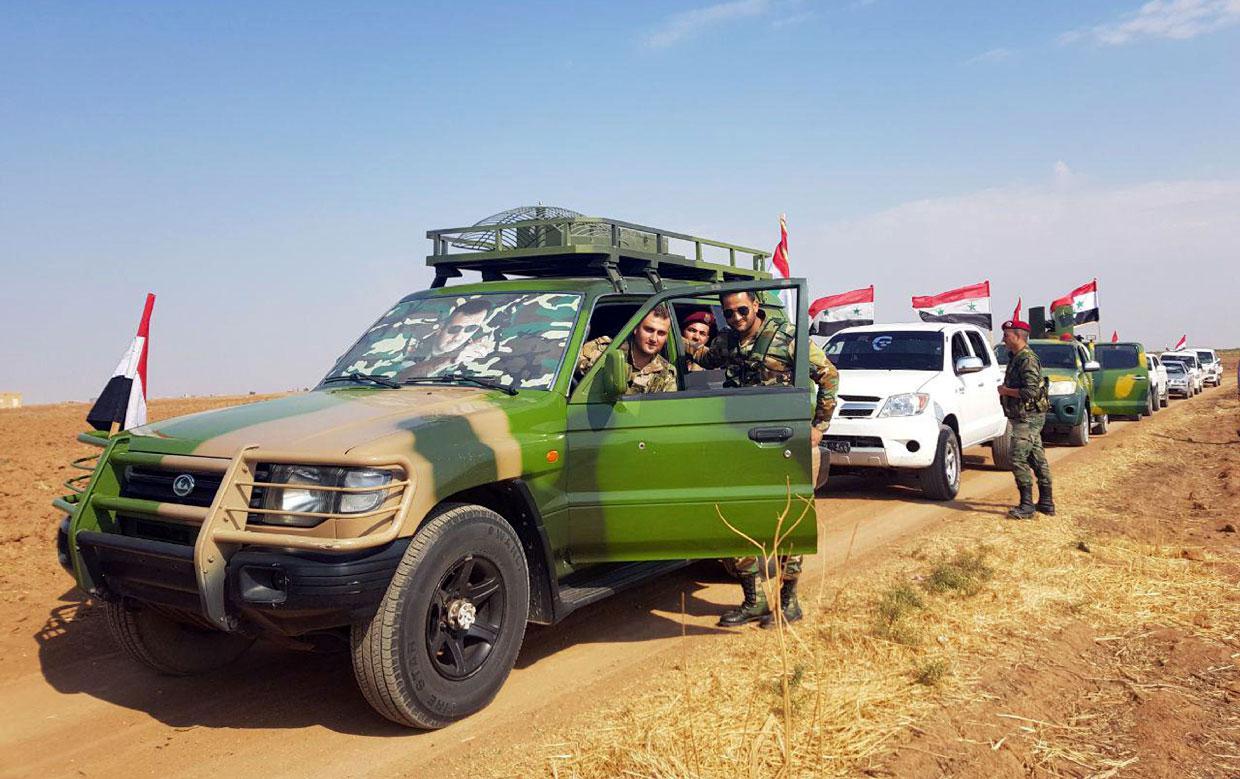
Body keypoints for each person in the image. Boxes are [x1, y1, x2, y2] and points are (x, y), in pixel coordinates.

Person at [685, 290, 838, 628]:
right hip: (740, 443)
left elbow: (828, 375)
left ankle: (788, 604)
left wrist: (818, 426)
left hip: (782, 443)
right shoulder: (728, 341)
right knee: (736, 520)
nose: (737, 318)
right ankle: (753, 601)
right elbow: (708, 358)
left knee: (786, 522)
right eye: (729, 313)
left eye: (742, 310)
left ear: (756, 305)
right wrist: (676, 341)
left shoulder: (787, 337)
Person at [998, 318, 1053, 519]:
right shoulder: (1016, 356)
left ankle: (1026, 505)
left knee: (1017, 457)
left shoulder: (1027, 359)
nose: (1004, 339)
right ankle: (1046, 502)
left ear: (1018, 336)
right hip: (1024, 416)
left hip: (1027, 417)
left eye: (1006, 335)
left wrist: (1006, 391)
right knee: (1036, 456)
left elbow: (1030, 391)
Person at [576, 305, 678, 395]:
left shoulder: (666, 373)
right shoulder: (605, 350)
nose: (654, 339)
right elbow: (567, 366)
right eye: (649, 330)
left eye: (661, 333)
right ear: (635, 329)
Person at [400, 297, 494, 378]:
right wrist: (450, 360)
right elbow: (398, 379)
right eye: (455, 329)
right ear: (440, 329)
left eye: (471, 329)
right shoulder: (409, 343)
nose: (459, 337)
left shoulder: (472, 354)